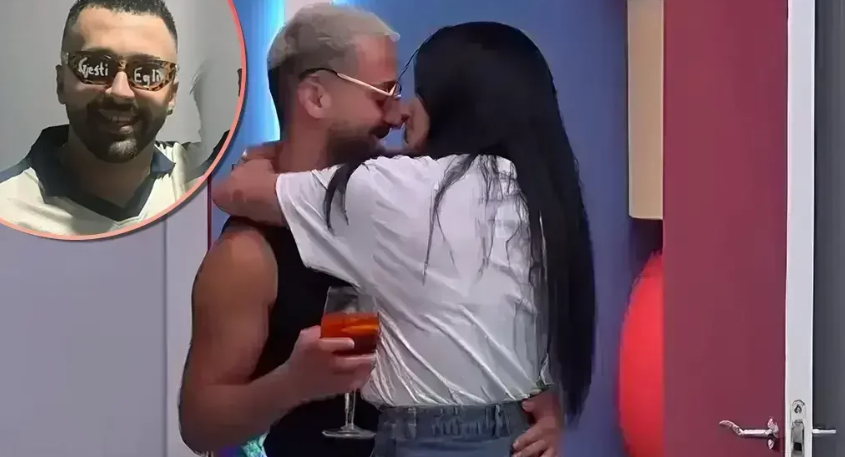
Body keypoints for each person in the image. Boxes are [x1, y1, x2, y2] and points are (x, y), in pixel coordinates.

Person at [180, 5, 562, 457]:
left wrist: (532, 402)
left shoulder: (414, 199)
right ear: (316, 98)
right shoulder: (248, 253)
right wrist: (292, 383)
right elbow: (199, 425)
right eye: (382, 94)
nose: (398, 114)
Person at [0, 0, 215, 237]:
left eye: (147, 73)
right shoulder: (7, 208)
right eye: (95, 67)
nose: (120, 92)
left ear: (171, 95)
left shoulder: (206, 178)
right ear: (61, 84)